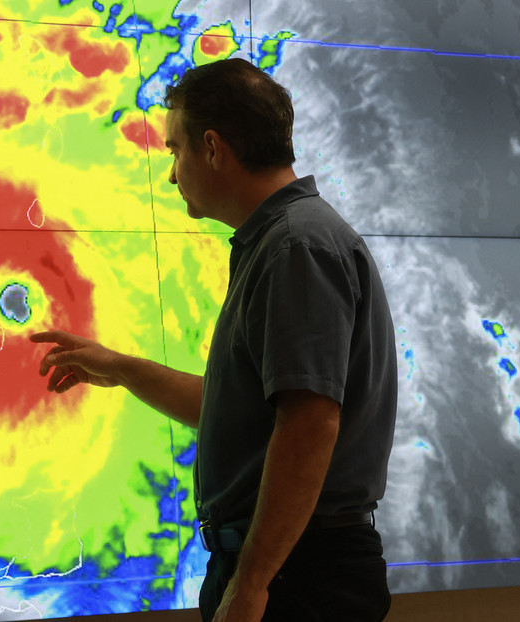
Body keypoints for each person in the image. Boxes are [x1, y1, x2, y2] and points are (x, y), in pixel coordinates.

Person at [30, 58, 397, 621]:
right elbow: (231, 410)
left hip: (298, 577)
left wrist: (251, 584)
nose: (171, 175)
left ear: (212, 148)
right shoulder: (278, 243)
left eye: (174, 151)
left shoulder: (295, 247)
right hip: (287, 567)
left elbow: (308, 423)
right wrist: (119, 367)